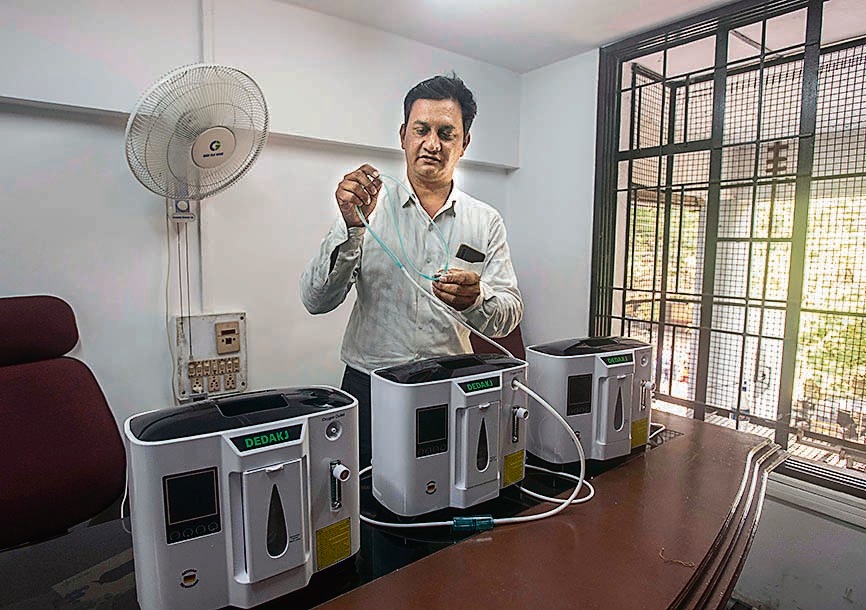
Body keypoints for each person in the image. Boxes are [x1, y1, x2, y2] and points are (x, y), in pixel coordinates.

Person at [300, 74, 523, 467]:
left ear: (464, 142)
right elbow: (316, 299)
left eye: (446, 132)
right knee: (369, 497)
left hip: (451, 386)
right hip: (371, 386)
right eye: (421, 129)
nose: (432, 144)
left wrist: (478, 299)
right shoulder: (367, 208)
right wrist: (351, 227)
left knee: (445, 492)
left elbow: (508, 315)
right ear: (403, 135)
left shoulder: (485, 221)